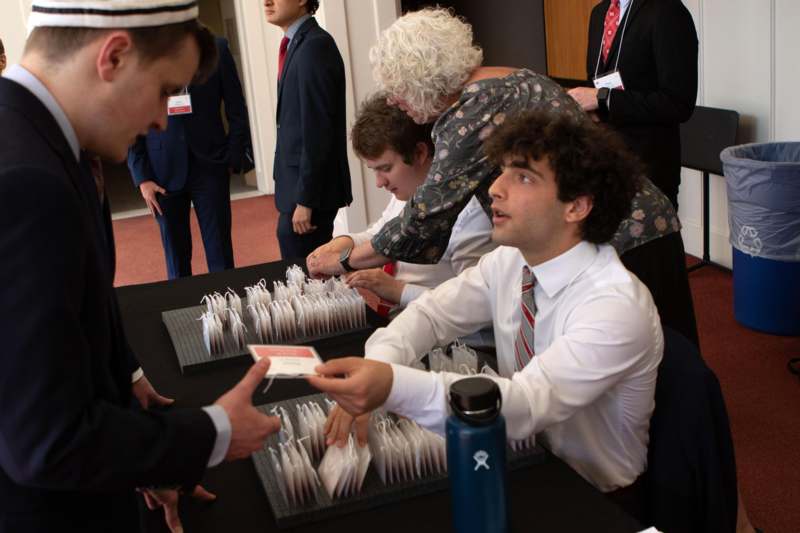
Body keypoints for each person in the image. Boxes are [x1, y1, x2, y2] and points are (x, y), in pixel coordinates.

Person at [0, 3, 280, 533]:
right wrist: (214, 431)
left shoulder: (44, 140)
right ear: (115, 56)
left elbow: (68, 309)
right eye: (163, 89)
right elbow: (46, 442)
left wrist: (121, 382)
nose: (160, 118)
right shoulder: (24, 179)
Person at [310, 111, 663, 516]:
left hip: (591, 497)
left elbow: (526, 404)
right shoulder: (511, 262)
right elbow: (431, 314)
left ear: (577, 206)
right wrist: (380, 363)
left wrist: (390, 384)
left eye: (524, 177)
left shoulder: (614, 306)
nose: (495, 188)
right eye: (504, 171)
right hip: (520, 462)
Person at [307, 7, 698, 346]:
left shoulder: (470, 111)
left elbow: (423, 219)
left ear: (422, 79)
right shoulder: (511, 78)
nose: (395, 101)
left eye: (397, 89)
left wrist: (344, 259)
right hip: (637, 220)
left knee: (654, 371)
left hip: (623, 235)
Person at [311, 94, 495, 316]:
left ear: (420, 153)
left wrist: (399, 291)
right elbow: (381, 234)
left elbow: (479, 306)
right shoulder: (408, 191)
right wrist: (345, 243)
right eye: (374, 170)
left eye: (386, 169)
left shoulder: (470, 214)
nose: (379, 183)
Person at [128, 34, 251, 279]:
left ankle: (225, 313)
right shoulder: (140, 54)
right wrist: (142, 177)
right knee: (176, 259)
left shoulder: (216, 48)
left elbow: (236, 108)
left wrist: (232, 157)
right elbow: (132, 118)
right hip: (161, 172)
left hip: (211, 165)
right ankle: (180, 314)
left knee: (220, 255)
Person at [567, 0, 698, 210]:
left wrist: (603, 99)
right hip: (603, 164)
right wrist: (592, 106)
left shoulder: (668, 11)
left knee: (651, 244)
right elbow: (597, 80)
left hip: (648, 169)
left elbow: (678, 103)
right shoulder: (599, 13)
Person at [265, 0, 352, 259]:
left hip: (309, 195)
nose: (266, 2)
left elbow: (318, 130)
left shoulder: (315, 46)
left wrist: (306, 200)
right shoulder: (297, 44)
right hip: (297, 188)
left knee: (307, 280)